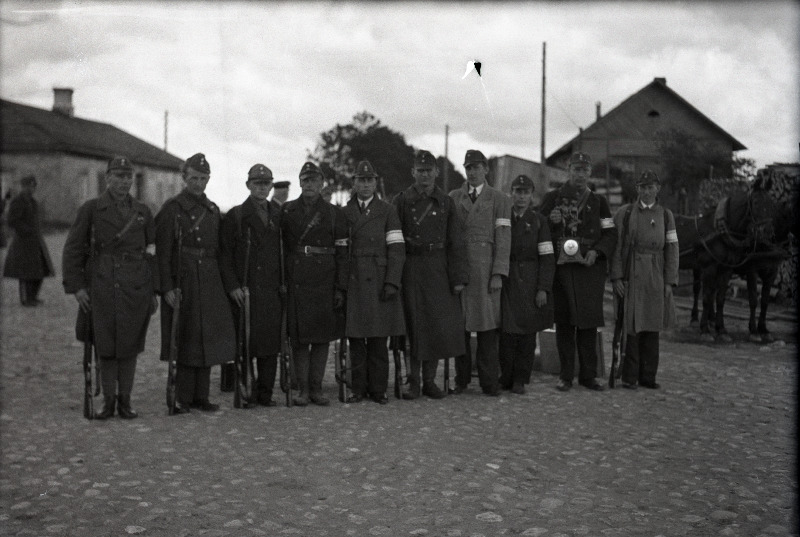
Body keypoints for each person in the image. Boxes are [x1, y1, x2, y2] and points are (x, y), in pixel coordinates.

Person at [62, 155, 159, 419]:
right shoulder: (91, 209)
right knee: (105, 344)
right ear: (107, 178)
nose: (124, 182)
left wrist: (153, 289)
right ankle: (108, 401)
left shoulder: (143, 212)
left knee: (130, 344)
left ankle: (126, 401)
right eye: (118, 176)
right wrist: (78, 287)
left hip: (135, 286)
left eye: (128, 177)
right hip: (102, 284)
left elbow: (152, 252)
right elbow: (73, 249)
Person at [155, 153, 236, 414]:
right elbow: (163, 252)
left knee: (207, 338)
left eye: (203, 179)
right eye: (194, 178)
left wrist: (227, 284)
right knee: (186, 336)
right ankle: (183, 397)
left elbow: (221, 251)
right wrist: (166, 287)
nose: (198, 184)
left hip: (210, 279)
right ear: (184, 178)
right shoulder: (172, 208)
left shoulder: (212, 210)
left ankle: (202, 396)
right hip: (184, 279)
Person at [393, 150, 468, 400]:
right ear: (413, 172)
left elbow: (456, 241)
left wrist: (458, 279)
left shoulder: (446, 202)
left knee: (436, 325)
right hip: (411, 267)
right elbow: (394, 240)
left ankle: (429, 381)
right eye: (420, 171)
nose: (424, 175)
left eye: (429, 170)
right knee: (413, 327)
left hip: (438, 268)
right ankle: (413, 381)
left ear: (436, 172)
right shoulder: (402, 200)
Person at [539, 152, 617, 392]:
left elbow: (610, 233)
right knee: (564, 323)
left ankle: (588, 376)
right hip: (562, 270)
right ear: (568, 170)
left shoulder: (599, 202)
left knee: (588, 323)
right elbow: (538, 229)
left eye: (584, 170)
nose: (580, 174)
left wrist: (597, 252)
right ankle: (565, 376)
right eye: (576, 169)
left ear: (589, 173)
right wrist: (550, 222)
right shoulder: (553, 198)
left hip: (588, 268)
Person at [281, 162, 349, 406]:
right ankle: (301, 389)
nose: (309, 185)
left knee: (321, 339)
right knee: (299, 339)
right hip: (297, 280)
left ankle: (317, 388)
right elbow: (281, 250)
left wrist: (340, 287)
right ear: (299, 183)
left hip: (325, 280)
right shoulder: (287, 211)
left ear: (322, 184)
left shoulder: (334, 214)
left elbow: (342, 252)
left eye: (314, 181)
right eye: (305, 180)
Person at [342, 160, 406, 404]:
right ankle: (358, 388)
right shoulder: (345, 212)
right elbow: (340, 251)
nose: (366, 184)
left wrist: (392, 282)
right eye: (361, 180)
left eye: (370, 180)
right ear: (354, 183)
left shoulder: (387, 211)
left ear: (376, 182)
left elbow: (397, 249)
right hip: (354, 280)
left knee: (379, 339)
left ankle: (378, 389)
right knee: (356, 339)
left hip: (379, 280)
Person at [219, 164, 283, 407]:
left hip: (271, 289)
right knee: (245, 343)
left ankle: (265, 394)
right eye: (257, 183)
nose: (261, 188)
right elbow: (224, 255)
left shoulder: (278, 214)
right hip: (245, 289)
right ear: (248, 185)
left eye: (266, 184)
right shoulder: (236, 216)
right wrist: (233, 286)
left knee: (269, 345)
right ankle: (245, 391)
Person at [449, 149, 511, 396]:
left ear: (486, 169)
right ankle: (461, 379)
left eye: (476, 167)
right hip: (463, 269)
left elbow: (504, 238)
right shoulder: (454, 197)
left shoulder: (499, 199)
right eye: (468, 168)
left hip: (486, 270)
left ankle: (488, 381)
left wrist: (498, 272)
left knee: (487, 329)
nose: (472, 172)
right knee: (461, 328)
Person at [610, 170, 678, 389]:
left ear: (657, 189)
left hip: (656, 274)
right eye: (642, 187)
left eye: (651, 187)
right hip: (632, 274)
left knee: (652, 325)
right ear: (636, 189)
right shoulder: (625, 213)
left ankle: (648, 377)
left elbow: (672, 248)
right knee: (632, 325)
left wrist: (669, 281)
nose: (647, 192)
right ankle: (630, 377)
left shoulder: (666, 216)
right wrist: (618, 276)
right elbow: (617, 246)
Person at [499, 174, 555, 394]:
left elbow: (547, 257)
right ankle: (506, 375)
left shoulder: (539, 221)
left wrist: (543, 288)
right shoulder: (503, 218)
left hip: (531, 279)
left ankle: (521, 378)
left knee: (527, 333)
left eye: (525, 192)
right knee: (506, 332)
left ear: (532, 195)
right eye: (517, 192)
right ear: (511, 193)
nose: (521, 197)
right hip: (508, 278)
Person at [2, 175, 54, 306]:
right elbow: (12, 221)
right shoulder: (18, 201)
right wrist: (27, 230)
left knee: (39, 270)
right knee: (25, 273)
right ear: (24, 186)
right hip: (23, 243)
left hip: (35, 242)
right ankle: (25, 299)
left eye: (34, 186)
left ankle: (33, 297)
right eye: (30, 186)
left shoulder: (32, 201)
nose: (33, 188)